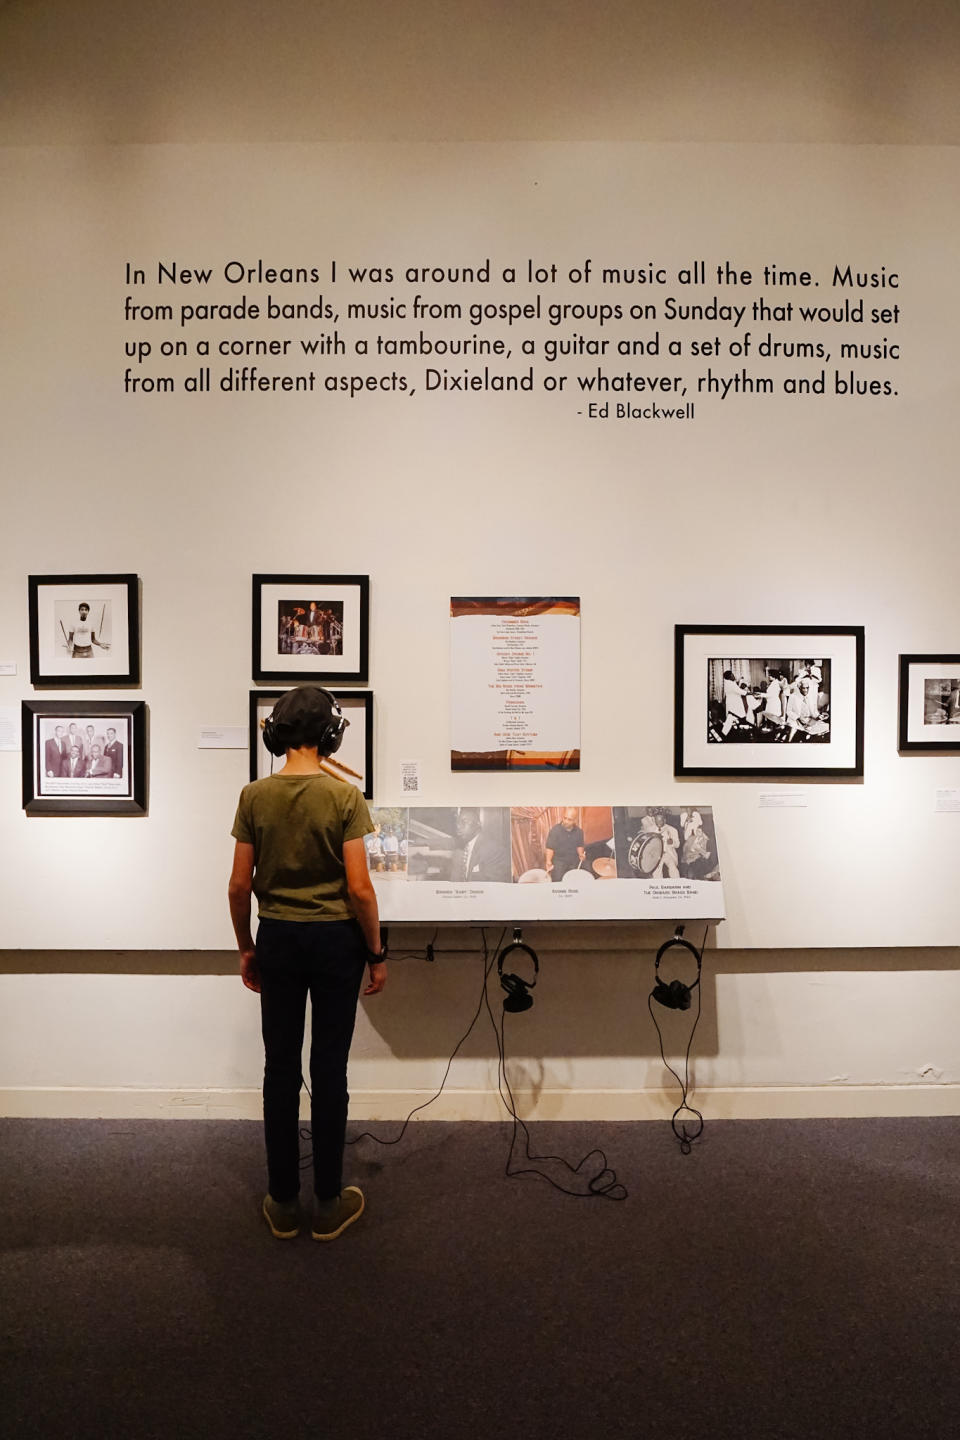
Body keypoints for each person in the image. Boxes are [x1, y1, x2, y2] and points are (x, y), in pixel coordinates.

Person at [228, 685, 386, 1243]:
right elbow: (361, 891)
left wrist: (248, 947)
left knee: (279, 1068)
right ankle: (327, 1202)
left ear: (275, 735)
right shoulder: (345, 798)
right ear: (331, 736)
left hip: (279, 941)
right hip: (335, 945)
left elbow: (239, 885)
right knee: (329, 1068)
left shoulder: (253, 796)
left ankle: (282, 1202)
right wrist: (376, 953)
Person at [544, 807, 586, 882]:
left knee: (575, 879)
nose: (566, 821)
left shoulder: (579, 832)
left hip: (573, 859)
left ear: (575, 820)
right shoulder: (555, 830)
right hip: (559, 861)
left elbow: (580, 845)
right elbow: (550, 847)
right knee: (557, 880)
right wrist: (548, 861)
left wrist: (580, 854)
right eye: (565, 818)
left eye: (569, 819)